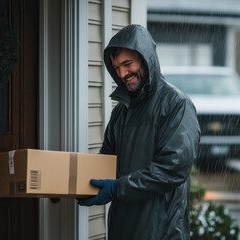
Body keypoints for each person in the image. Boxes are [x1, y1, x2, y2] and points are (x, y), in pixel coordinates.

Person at [78, 24, 201, 240]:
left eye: (127, 64)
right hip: (122, 229)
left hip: (162, 231)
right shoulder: (122, 111)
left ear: (146, 60)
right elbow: (107, 159)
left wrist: (117, 188)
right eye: (116, 68)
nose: (122, 73)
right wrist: (80, 183)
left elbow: (172, 169)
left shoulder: (177, 105)